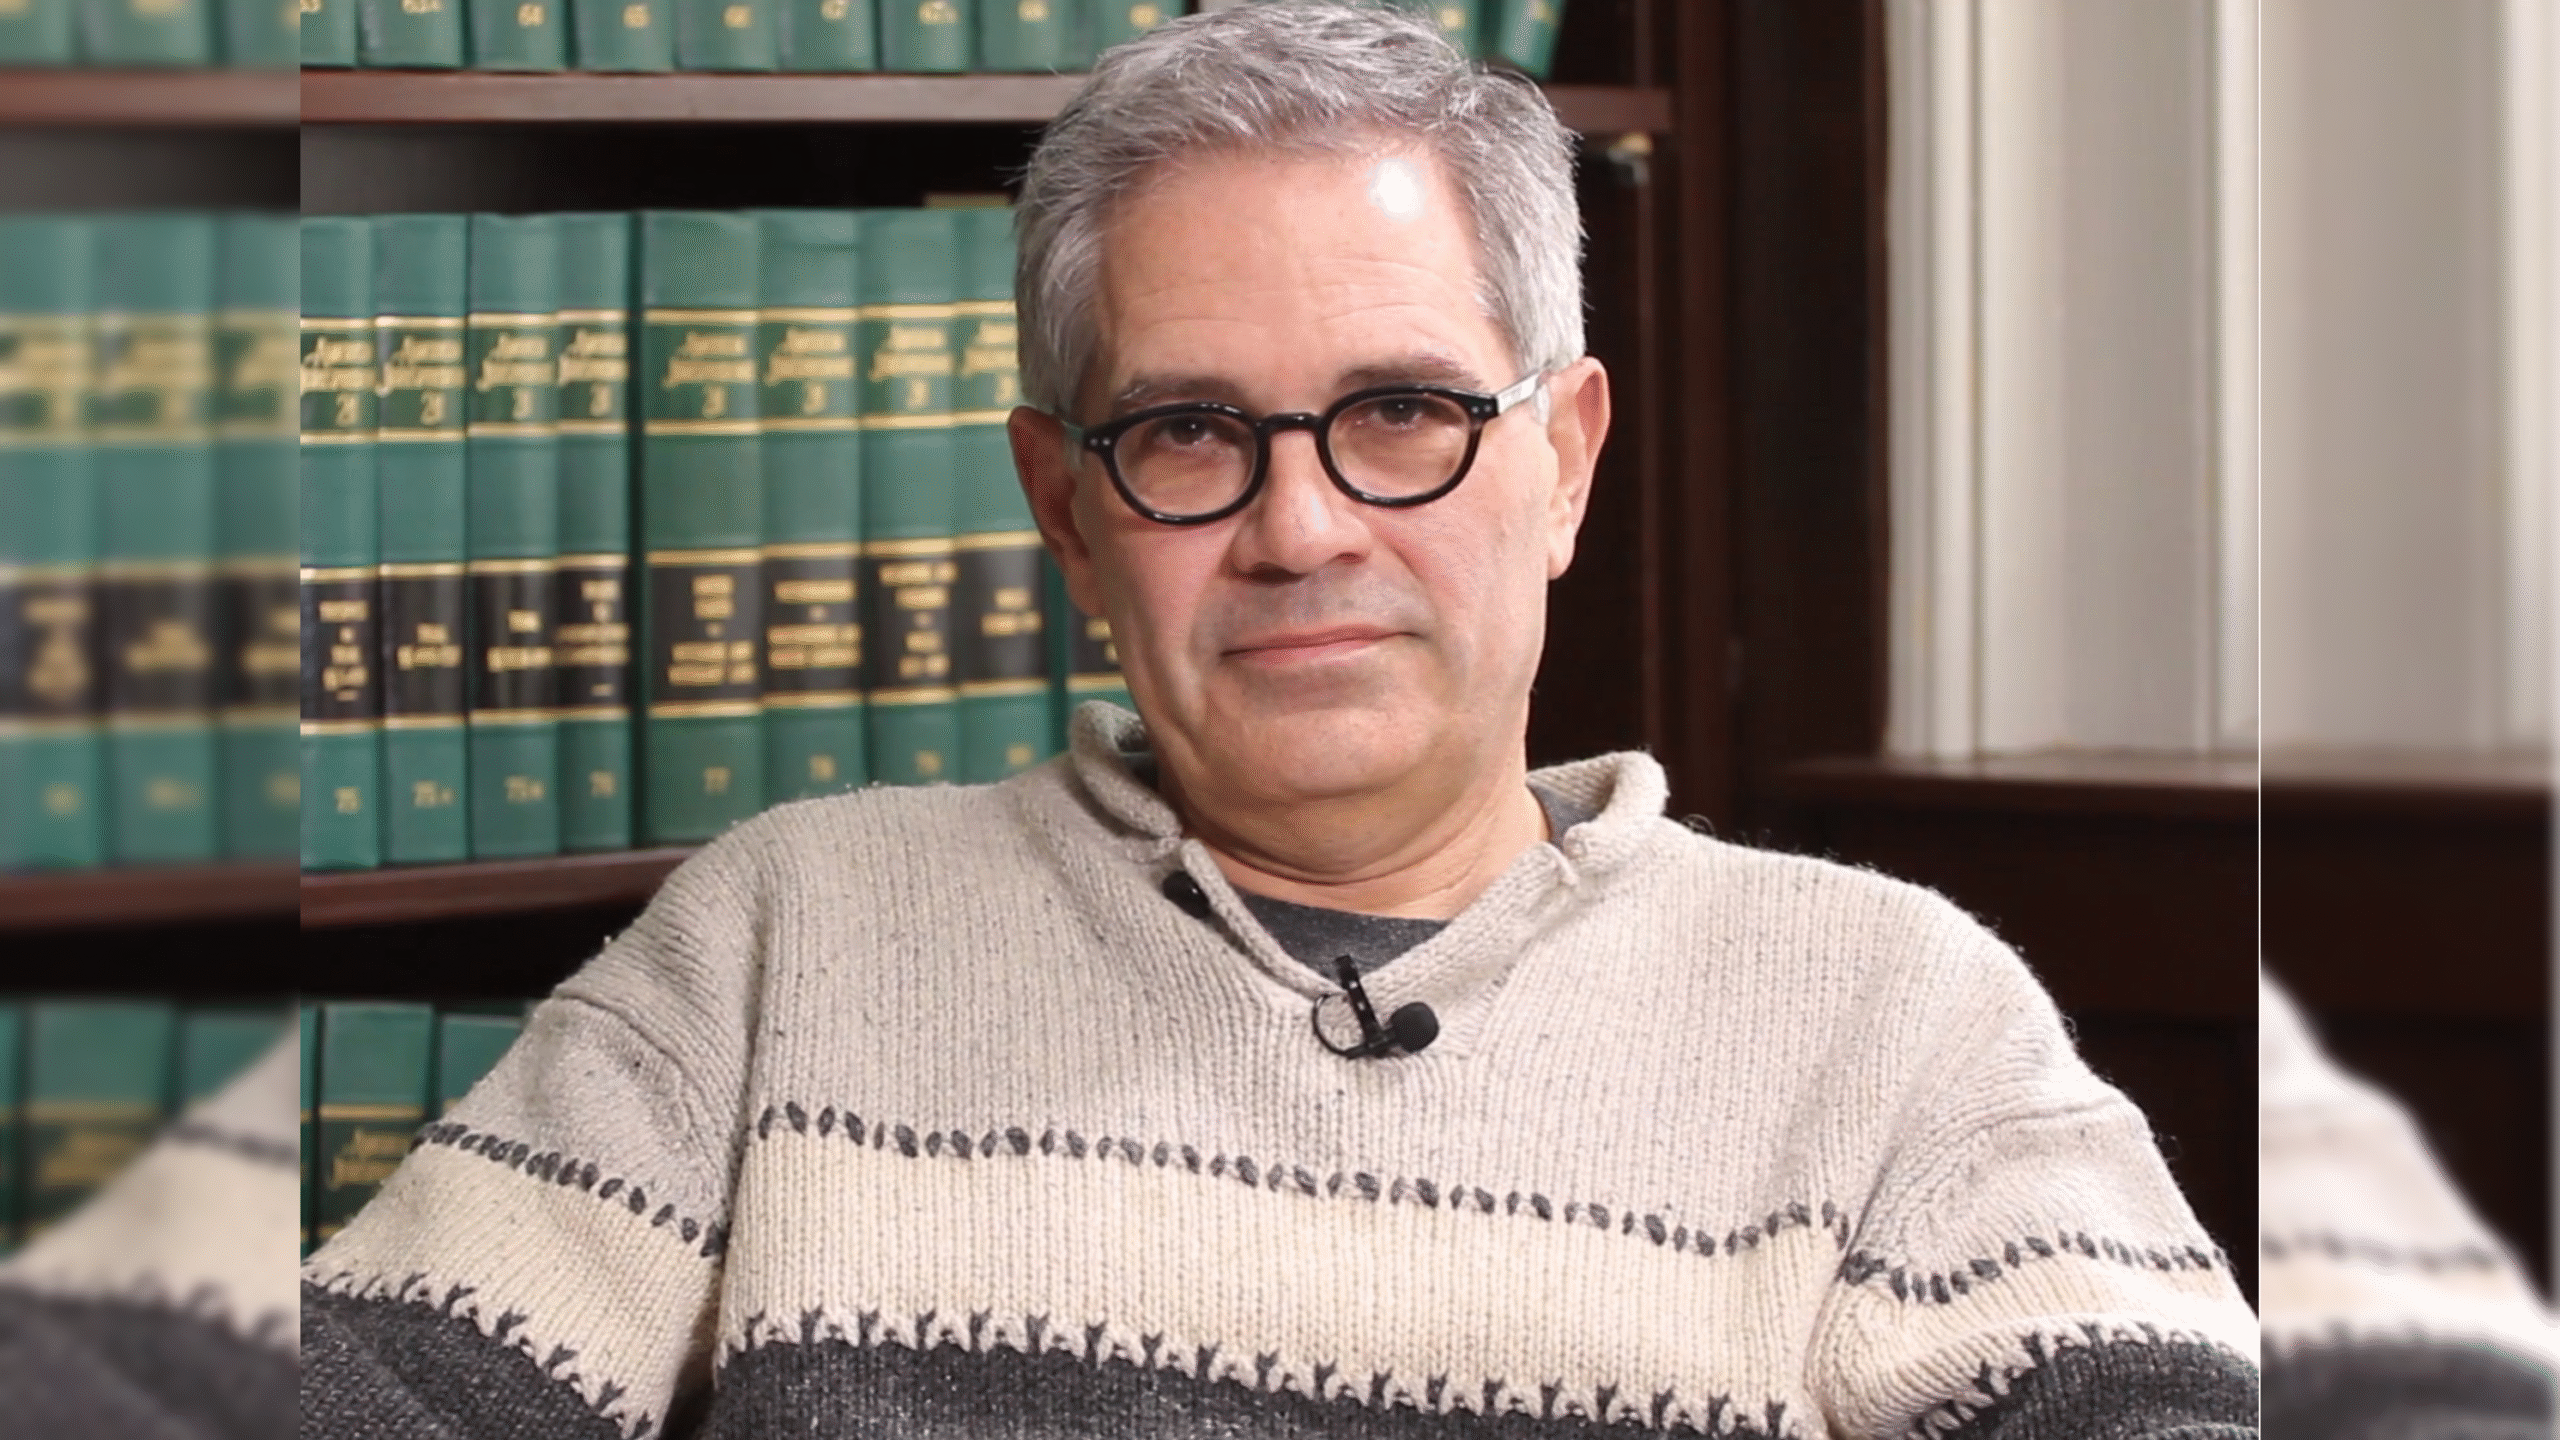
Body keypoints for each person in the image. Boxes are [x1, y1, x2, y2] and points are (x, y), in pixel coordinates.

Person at [300, 6, 2259, 1436]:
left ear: (1564, 462)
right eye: (1185, 432)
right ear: (1065, 507)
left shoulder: (1896, 1028)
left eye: (1399, 411)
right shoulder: (778, 944)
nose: (1298, 526)